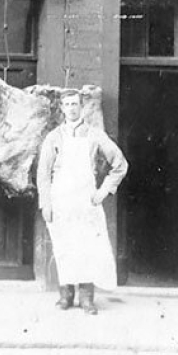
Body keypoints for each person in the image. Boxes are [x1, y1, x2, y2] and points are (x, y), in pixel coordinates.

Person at [37, 89, 128, 315]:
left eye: (75, 104)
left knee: (88, 248)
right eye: (67, 104)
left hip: (86, 202)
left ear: (83, 107)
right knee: (65, 247)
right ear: (62, 108)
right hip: (61, 201)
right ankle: (65, 296)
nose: (72, 108)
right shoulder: (54, 137)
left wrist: (103, 192)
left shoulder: (95, 135)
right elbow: (43, 173)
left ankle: (87, 299)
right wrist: (46, 203)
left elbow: (120, 164)